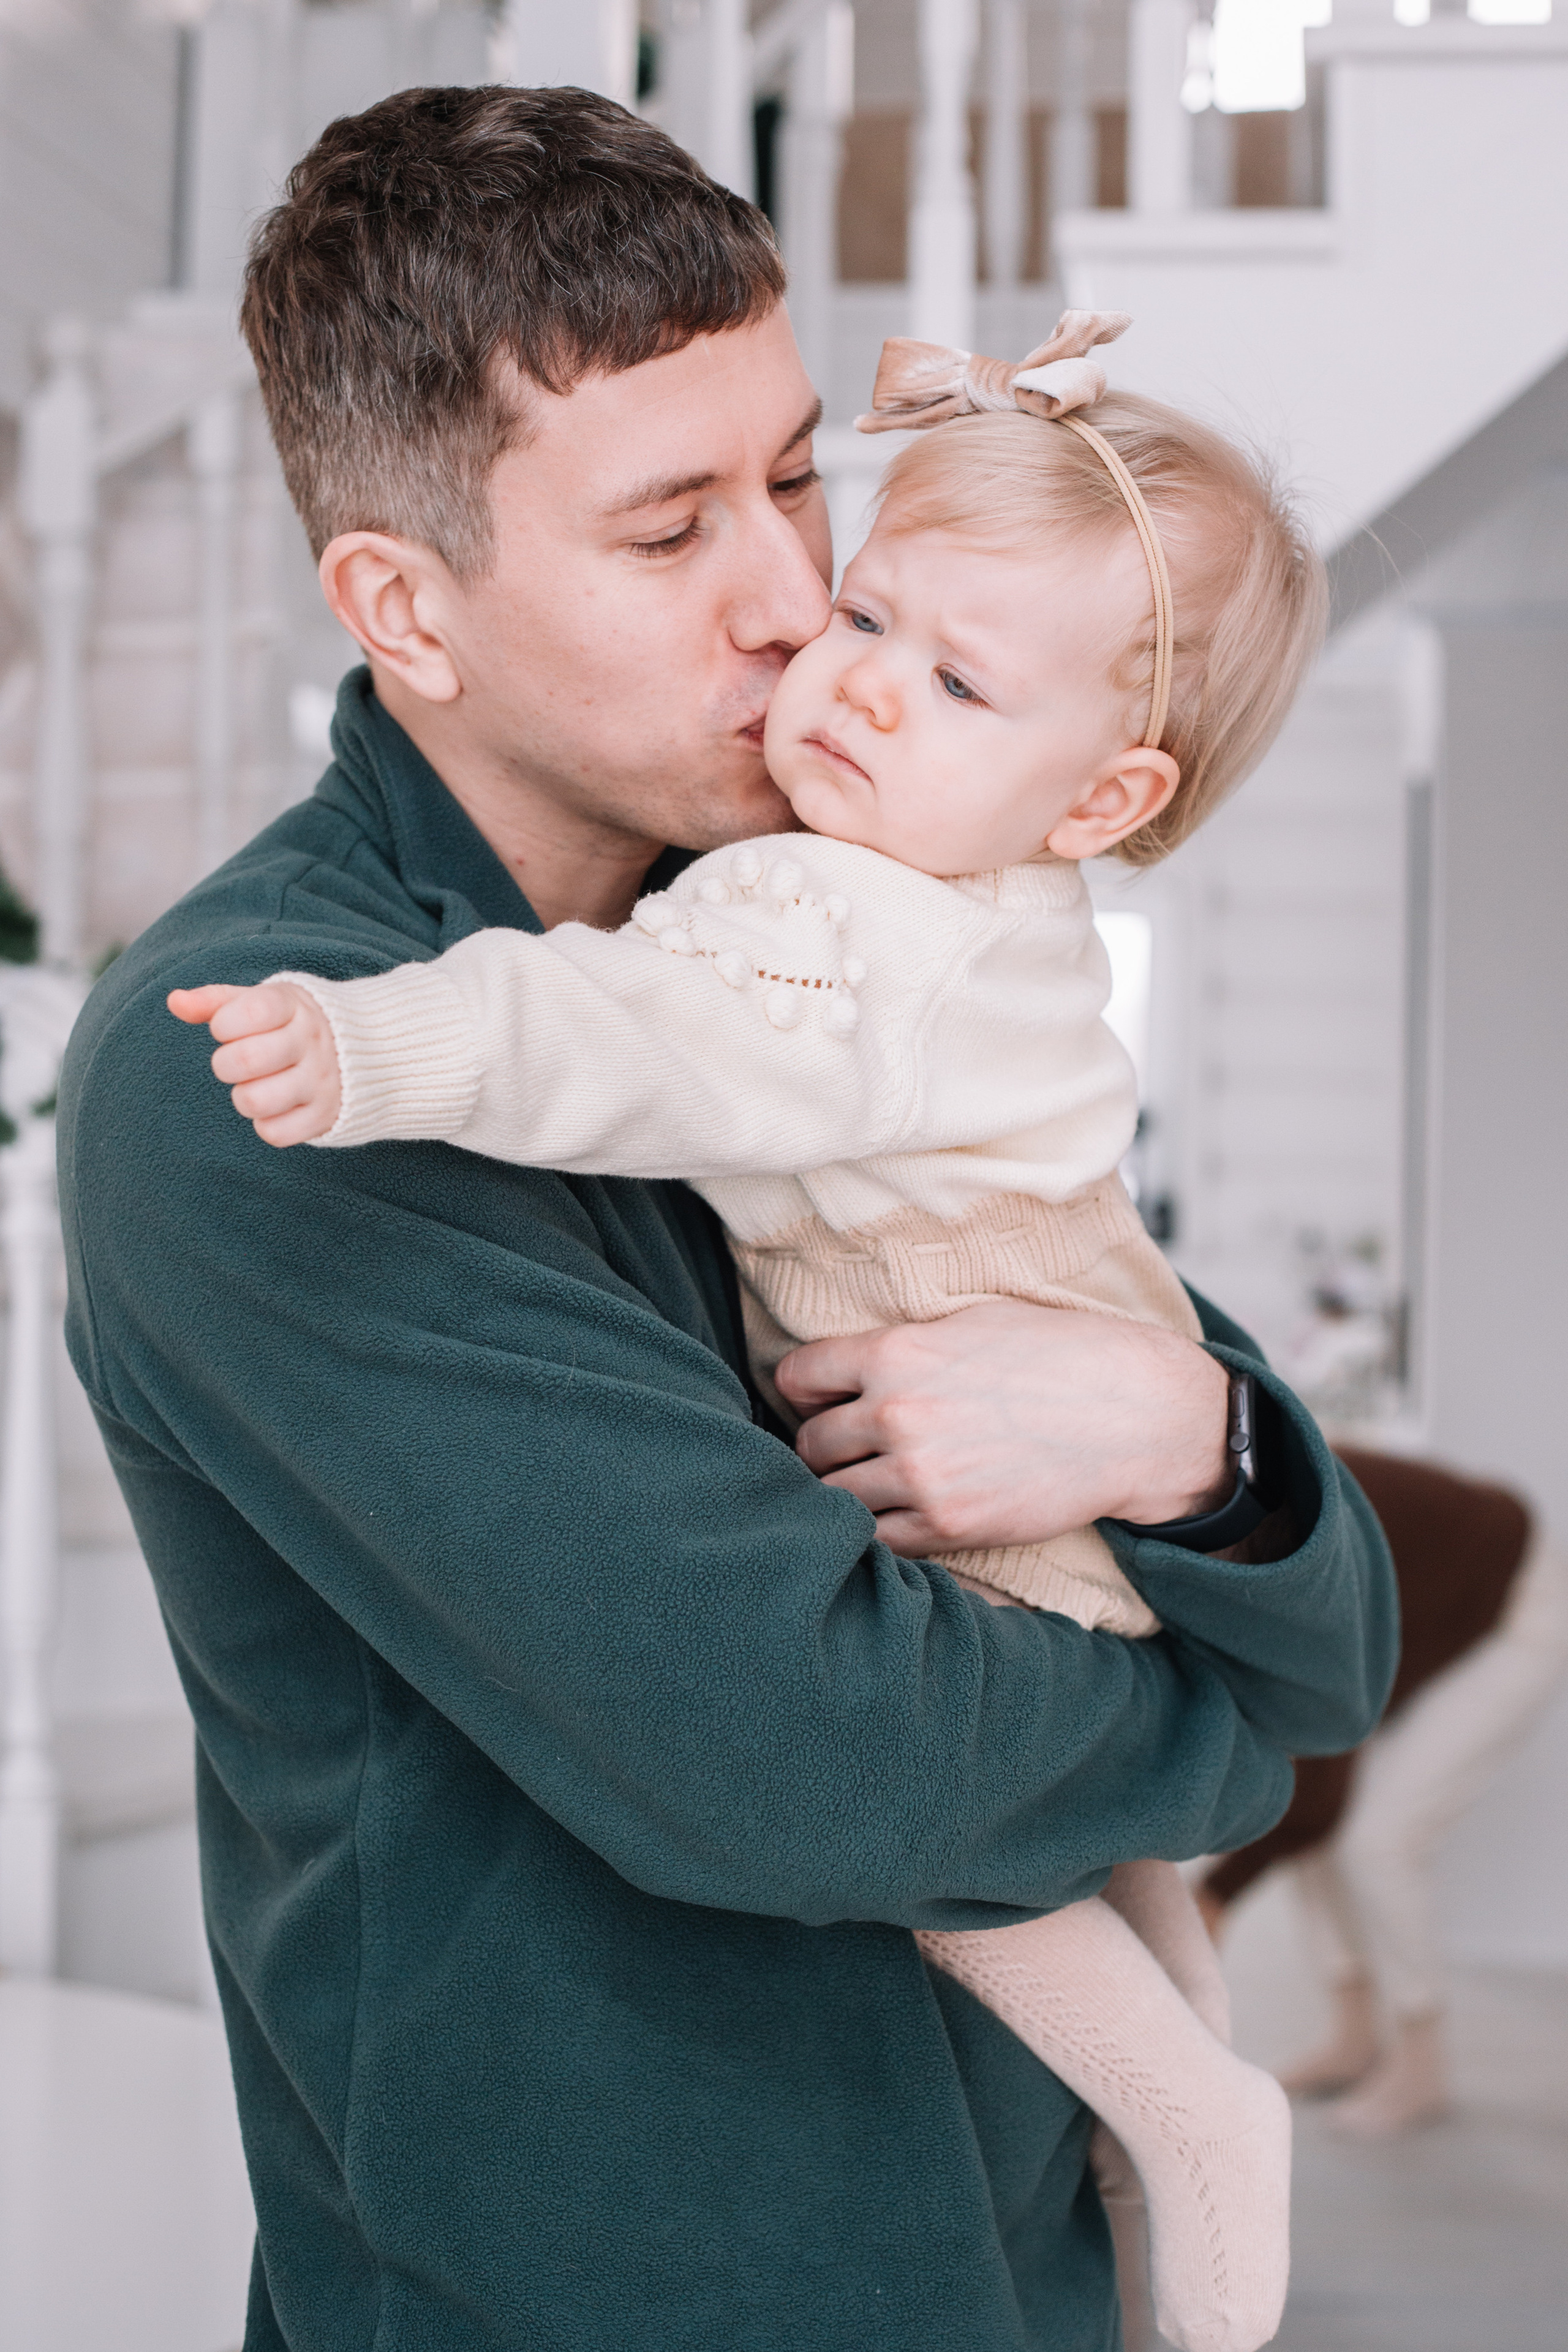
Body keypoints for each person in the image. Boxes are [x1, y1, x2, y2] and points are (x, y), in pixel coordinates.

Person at [57, 86, 1396, 2352]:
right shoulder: (265, 1075)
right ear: (408, 605)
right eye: (673, 530)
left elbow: (1323, 1600)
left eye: (793, 475)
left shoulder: (864, 924)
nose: (798, 602)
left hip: (1002, 2274)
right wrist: (1210, 1733)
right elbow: (819, 1763)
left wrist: (1184, 1440)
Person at [1199, 1448, 1568, 2137]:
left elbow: (1320, 1774)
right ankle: (1354, 2036)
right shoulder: (1230, 1517)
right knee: (1318, 1829)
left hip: (1514, 1603)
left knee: (1377, 1839)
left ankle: (1422, 2058)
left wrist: (1217, 1893)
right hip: (1432, 1602)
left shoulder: (1297, 1537)